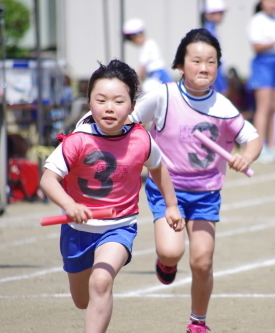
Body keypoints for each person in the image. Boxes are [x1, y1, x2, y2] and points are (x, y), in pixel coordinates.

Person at [130, 28, 261, 333]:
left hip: (205, 193)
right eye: (196, 61)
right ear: (180, 65)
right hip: (166, 189)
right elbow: (130, 120)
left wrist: (247, 156)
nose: (204, 68)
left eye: (211, 62)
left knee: (202, 261)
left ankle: (197, 322)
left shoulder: (224, 107)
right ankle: (167, 264)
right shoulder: (163, 96)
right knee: (172, 252)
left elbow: (252, 140)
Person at [40, 59, 184, 333]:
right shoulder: (77, 140)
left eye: (118, 101)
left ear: (132, 106)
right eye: (101, 100)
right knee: (82, 300)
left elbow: (158, 168)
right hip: (76, 229)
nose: (109, 108)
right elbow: (48, 179)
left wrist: (172, 206)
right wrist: (69, 205)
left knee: (101, 282)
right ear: (89, 102)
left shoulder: (141, 139)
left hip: (119, 226)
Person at [246, 0, 275, 163]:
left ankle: (274, 146)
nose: (273, 4)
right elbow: (257, 46)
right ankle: (260, 146)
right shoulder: (257, 20)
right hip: (263, 64)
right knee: (263, 108)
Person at [123, 18, 173, 93]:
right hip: (157, 76)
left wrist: (134, 83)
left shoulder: (148, 45)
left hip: (158, 77)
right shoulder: (148, 44)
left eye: (131, 39)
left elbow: (142, 68)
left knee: (149, 89)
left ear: (138, 35)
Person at [202, 0, 228, 94]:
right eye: (218, 13)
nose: (221, 16)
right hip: (214, 77)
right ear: (208, 15)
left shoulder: (212, 30)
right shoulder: (209, 33)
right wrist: (222, 84)